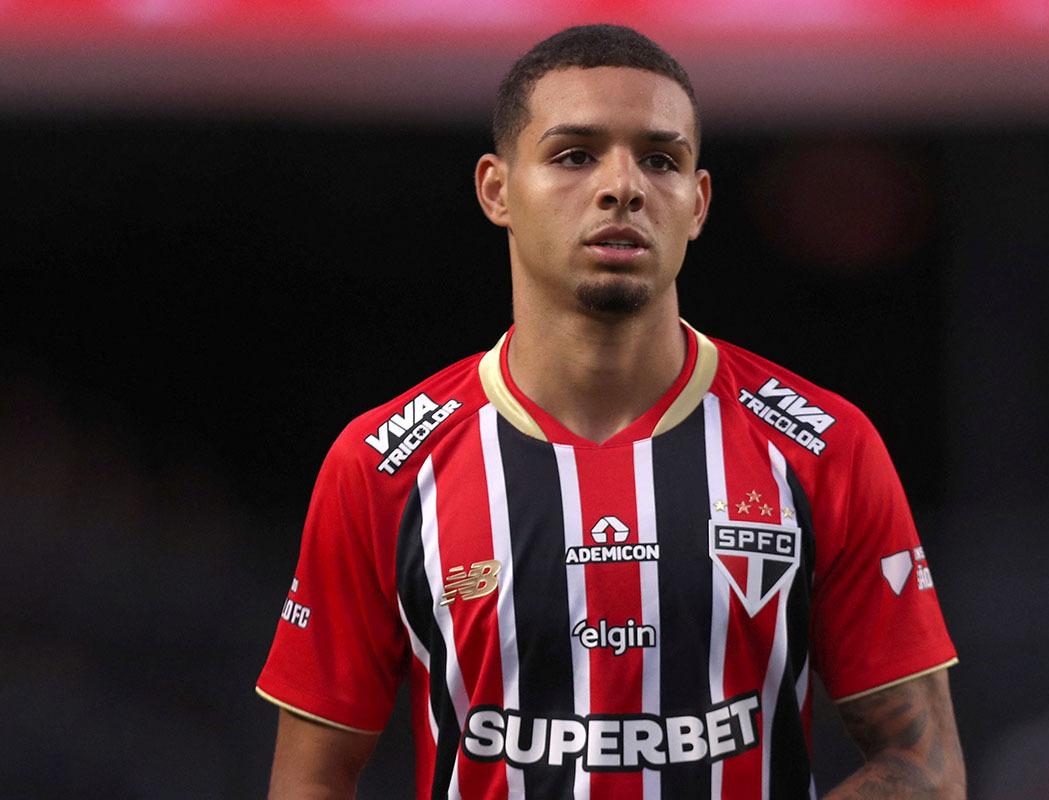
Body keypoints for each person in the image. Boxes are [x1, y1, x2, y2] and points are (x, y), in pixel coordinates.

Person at [256, 23, 965, 800]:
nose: (622, 186)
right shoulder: (383, 465)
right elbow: (310, 783)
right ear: (496, 190)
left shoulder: (823, 448)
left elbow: (924, 768)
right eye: (574, 155)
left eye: (660, 160)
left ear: (697, 203)